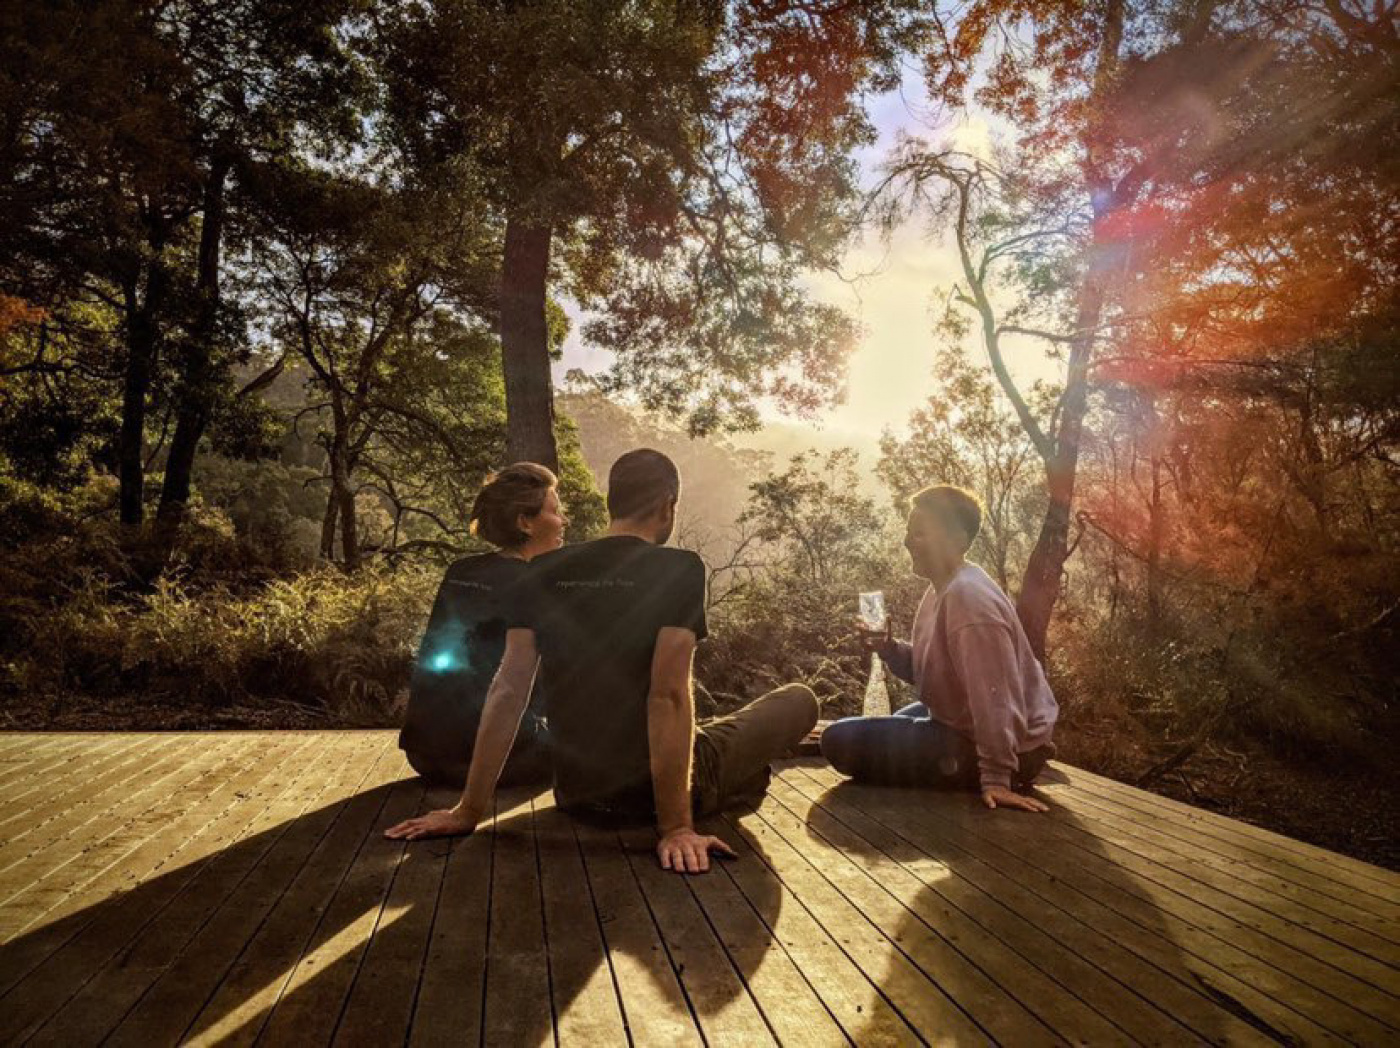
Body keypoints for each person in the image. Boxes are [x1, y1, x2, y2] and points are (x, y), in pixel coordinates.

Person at [386, 448, 819, 873]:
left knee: (735, 754)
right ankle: (736, 779)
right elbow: (667, 695)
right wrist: (676, 828)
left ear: (613, 502)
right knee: (798, 700)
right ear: (667, 506)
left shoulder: (542, 569)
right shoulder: (679, 568)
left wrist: (468, 810)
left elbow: (508, 688)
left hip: (575, 794)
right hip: (653, 796)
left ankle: (745, 776)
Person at [820, 484, 1058, 813]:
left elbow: (996, 697)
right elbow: (932, 672)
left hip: (1004, 749)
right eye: (908, 532)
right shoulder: (942, 588)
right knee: (886, 724)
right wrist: (889, 649)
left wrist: (997, 778)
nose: (907, 541)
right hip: (963, 723)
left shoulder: (969, 599)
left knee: (838, 741)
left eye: (919, 534)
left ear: (958, 540)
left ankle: (1002, 770)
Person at [397, 462, 565, 788]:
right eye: (555, 511)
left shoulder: (461, 571)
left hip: (425, 755)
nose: (563, 522)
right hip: (494, 758)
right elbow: (547, 681)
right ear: (525, 522)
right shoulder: (534, 584)